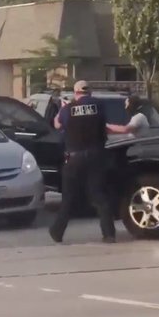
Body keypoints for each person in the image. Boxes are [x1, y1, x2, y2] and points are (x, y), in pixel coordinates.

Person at [49, 80, 117, 244]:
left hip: (74, 157)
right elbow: (104, 125)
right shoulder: (99, 105)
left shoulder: (68, 109)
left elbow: (57, 124)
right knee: (99, 195)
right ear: (90, 92)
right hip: (96, 156)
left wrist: (62, 109)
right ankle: (109, 234)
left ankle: (57, 232)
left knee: (69, 197)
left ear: (76, 92)